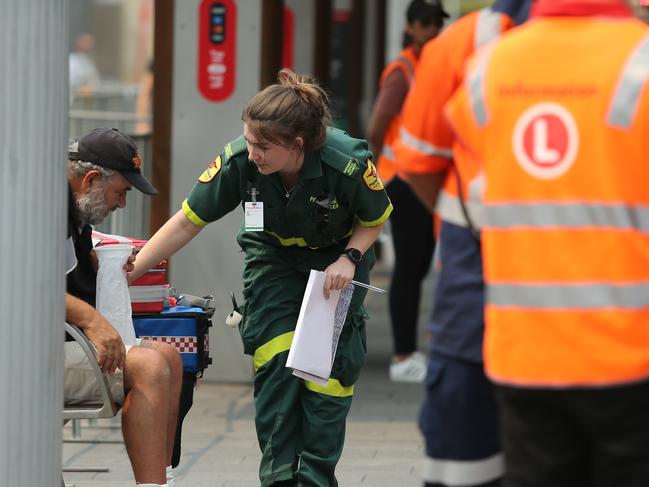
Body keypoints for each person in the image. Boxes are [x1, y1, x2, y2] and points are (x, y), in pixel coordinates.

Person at [130, 69, 393, 486]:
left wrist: (349, 258)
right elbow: (186, 222)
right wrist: (132, 269)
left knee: (326, 375)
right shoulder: (239, 162)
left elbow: (375, 217)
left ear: (298, 146)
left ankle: (316, 478)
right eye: (249, 140)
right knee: (277, 361)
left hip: (335, 268)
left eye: (263, 146)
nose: (253, 153)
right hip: (273, 262)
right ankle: (278, 478)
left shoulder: (346, 163)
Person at [445, 0, 649, 485]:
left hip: (523, 352)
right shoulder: (639, 59)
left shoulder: (488, 67)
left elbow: (469, 189)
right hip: (629, 352)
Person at [392, 1, 530, 485]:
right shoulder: (633, 53)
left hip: (475, 287)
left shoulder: (464, 43)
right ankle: (404, 354)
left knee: (465, 463)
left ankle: (405, 353)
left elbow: (420, 157)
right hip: (604, 320)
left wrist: (470, 216)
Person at [66, 127, 183, 487]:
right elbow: (27, 284)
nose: (122, 205)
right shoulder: (45, 208)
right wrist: (93, 321)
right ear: (90, 180)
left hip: (63, 341)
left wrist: (97, 258)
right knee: (148, 365)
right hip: (29, 352)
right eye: (121, 193)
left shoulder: (74, 210)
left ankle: (161, 479)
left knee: (170, 357)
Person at [367, 0, 448, 383]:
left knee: (416, 266)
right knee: (409, 268)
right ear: (411, 27)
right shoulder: (403, 70)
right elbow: (379, 125)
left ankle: (408, 352)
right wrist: (375, 173)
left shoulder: (429, 67)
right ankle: (403, 356)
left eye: (437, 23)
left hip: (419, 177)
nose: (433, 30)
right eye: (426, 23)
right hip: (403, 178)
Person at [69, 33, 100, 98]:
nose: (90, 46)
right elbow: (71, 81)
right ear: (79, 43)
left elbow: (95, 81)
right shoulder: (72, 61)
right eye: (86, 42)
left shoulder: (89, 61)